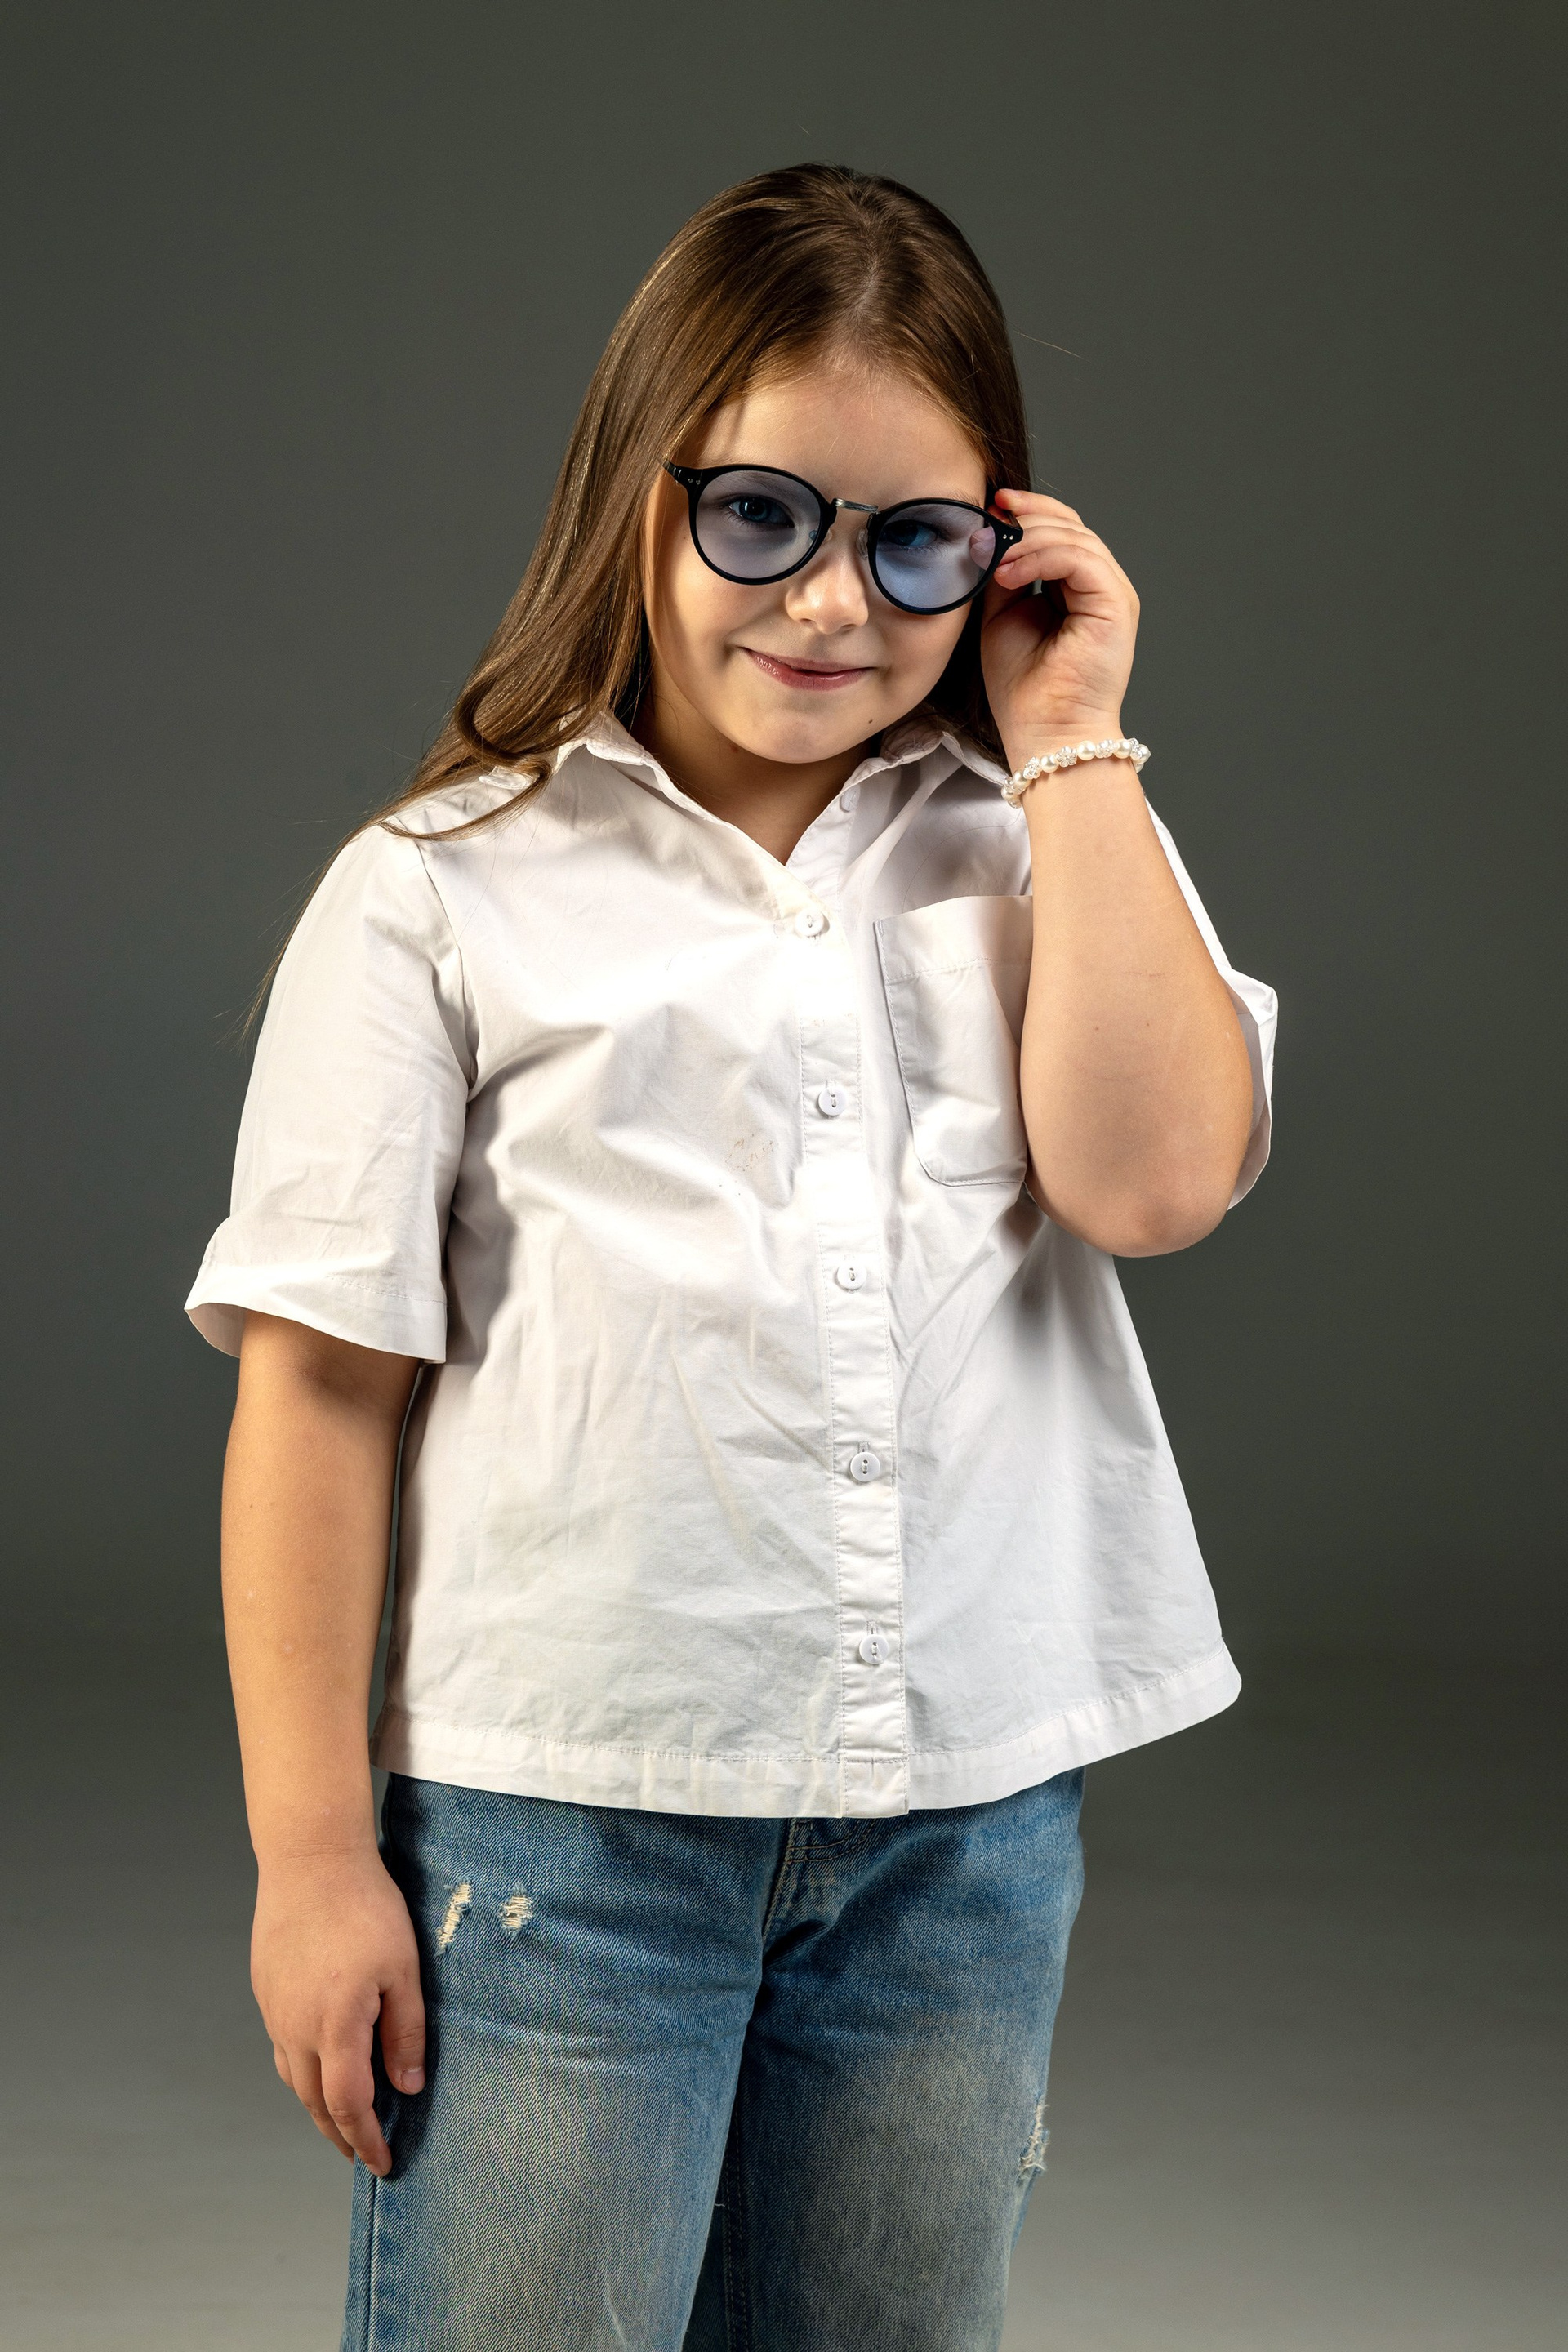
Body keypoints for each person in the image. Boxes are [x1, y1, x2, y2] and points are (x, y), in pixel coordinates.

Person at [188, 163, 1276, 2352]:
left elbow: (1156, 1181)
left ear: (1001, 551)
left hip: (955, 1835)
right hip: (565, 1837)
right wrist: (313, 1859)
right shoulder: (441, 890)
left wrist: (1074, 737)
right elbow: (319, 1392)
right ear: (641, 495)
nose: (833, 603)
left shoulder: (1045, 845)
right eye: (763, 517)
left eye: (917, 542)